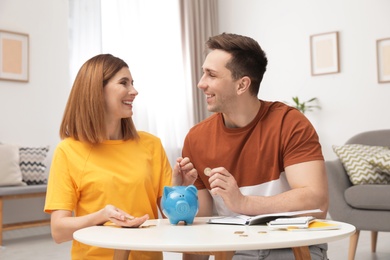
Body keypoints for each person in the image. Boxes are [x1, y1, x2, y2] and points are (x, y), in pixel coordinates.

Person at [182, 33, 329, 260]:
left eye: (211, 75)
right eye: (204, 73)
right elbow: (200, 222)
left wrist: (244, 203)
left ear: (242, 85)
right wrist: (182, 192)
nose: (201, 83)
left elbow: (315, 200)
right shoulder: (197, 138)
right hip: (236, 249)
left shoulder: (289, 123)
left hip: (292, 245)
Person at [44, 54, 197, 260]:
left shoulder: (151, 145)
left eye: (132, 83)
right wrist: (102, 216)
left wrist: (179, 189)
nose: (134, 91)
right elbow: (59, 231)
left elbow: (172, 220)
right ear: (96, 90)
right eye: (124, 83)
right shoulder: (68, 151)